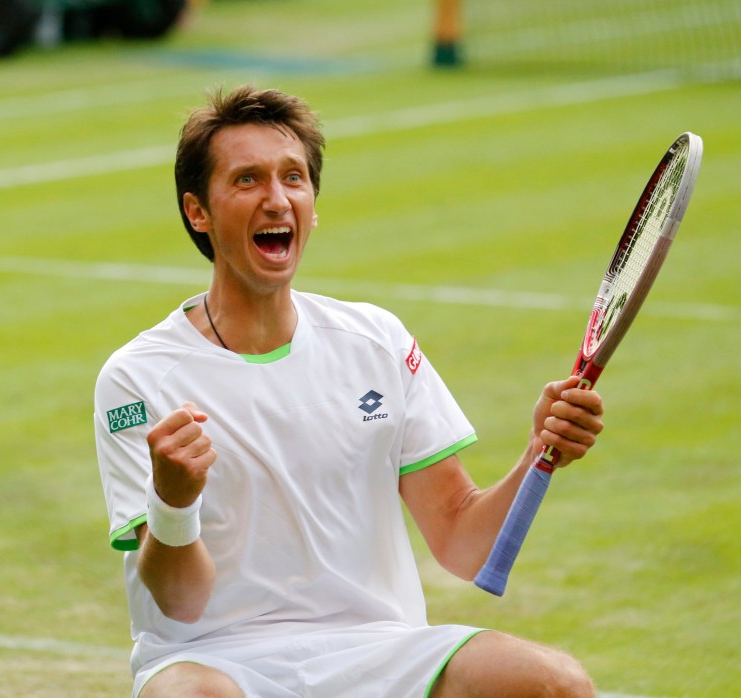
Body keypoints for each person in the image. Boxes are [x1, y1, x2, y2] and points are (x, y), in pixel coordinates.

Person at [94, 84, 605, 698]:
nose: (277, 199)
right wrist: (172, 502)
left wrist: (539, 451)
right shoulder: (136, 377)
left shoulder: (377, 341)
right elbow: (179, 601)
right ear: (197, 210)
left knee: (553, 684)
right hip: (217, 660)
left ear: (313, 202)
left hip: (383, 651)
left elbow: (463, 542)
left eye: (294, 178)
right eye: (248, 180)